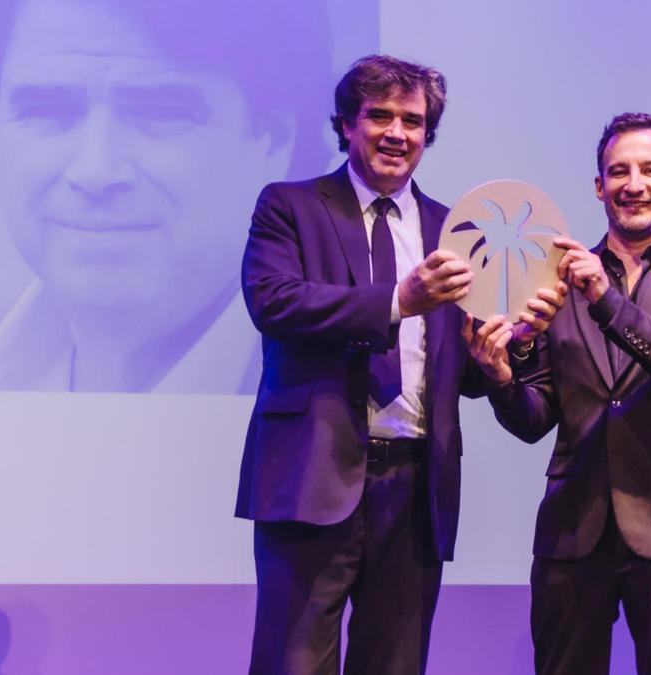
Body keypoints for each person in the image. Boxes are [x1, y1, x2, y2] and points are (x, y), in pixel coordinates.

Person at [235, 55, 564, 675]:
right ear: (346, 125)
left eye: (412, 121)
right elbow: (274, 302)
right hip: (312, 476)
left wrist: (511, 346)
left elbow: (463, 371)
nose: (396, 133)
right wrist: (397, 301)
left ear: (427, 133)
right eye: (379, 116)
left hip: (416, 485)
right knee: (291, 664)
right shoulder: (290, 206)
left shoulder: (452, 229)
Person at [467, 112, 651, 674]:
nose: (634, 184)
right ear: (599, 187)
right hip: (574, 530)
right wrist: (502, 375)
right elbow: (535, 419)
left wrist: (605, 301)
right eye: (619, 172)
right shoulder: (556, 280)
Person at [0, 0, 332, 392]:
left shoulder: (347, 383)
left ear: (274, 141)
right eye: (46, 111)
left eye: (161, 113)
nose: (95, 171)